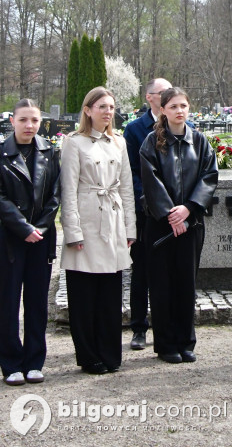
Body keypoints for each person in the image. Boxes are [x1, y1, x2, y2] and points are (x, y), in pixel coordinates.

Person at [60, 87, 136, 374]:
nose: (107, 111)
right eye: (102, 106)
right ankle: (89, 355)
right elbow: (68, 191)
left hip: (114, 221)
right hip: (88, 220)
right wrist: (73, 232)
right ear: (88, 110)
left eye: (111, 107)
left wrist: (130, 228)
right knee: (84, 295)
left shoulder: (120, 142)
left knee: (110, 294)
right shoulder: (74, 143)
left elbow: (127, 188)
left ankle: (110, 353)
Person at [140, 87, 218, 364]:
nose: (179, 111)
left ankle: (186, 341)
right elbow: (150, 181)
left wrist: (188, 209)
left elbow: (209, 176)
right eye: (173, 106)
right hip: (161, 225)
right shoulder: (151, 142)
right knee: (162, 285)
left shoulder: (199, 141)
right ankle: (166, 344)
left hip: (192, 222)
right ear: (163, 110)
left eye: (183, 105)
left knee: (186, 284)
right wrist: (170, 214)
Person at [0, 99, 60, 386]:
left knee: (37, 302)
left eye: (34, 120)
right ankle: (11, 362)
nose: (29, 126)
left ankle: (35, 361)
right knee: (8, 303)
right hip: (9, 241)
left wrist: (40, 227)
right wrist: (22, 227)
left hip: (41, 239)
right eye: (23, 120)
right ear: (13, 120)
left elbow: (56, 196)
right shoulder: (1, 153)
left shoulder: (49, 152)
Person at [123, 77, 172, 351]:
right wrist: (151, 199)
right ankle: (139, 328)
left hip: (174, 213)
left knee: (169, 273)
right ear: (150, 98)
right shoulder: (134, 130)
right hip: (146, 211)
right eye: (162, 93)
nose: (167, 96)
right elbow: (131, 172)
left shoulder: (182, 126)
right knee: (141, 271)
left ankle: (167, 327)